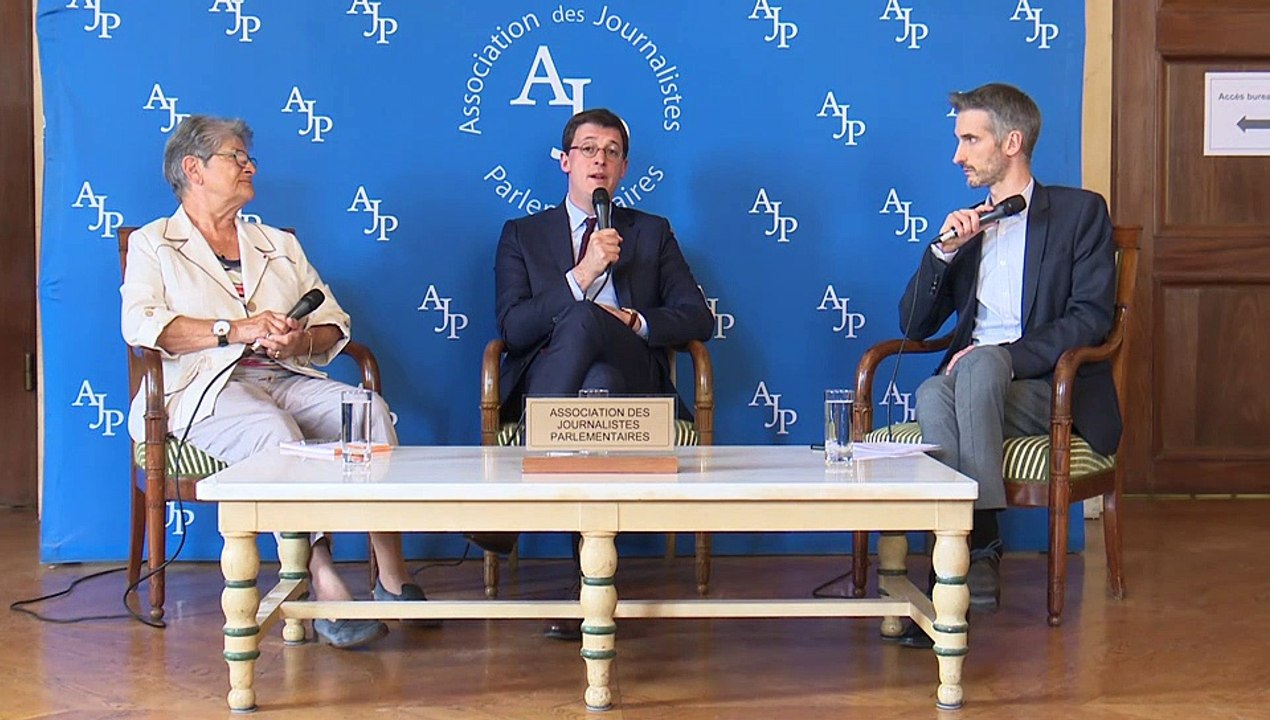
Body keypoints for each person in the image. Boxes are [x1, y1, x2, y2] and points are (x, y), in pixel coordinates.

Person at [120, 115, 433, 649]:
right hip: (205, 390)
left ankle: (390, 575)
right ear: (193, 168)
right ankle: (325, 583)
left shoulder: (275, 242)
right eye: (236, 157)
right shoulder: (154, 244)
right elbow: (145, 327)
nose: (250, 166)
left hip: (284, 373)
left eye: (248, 157)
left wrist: (299, 343)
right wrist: (234, 330)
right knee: (274, 431)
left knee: (368, 410)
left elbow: (335, 322)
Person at [895, 84, 1120, 646]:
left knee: (972, 370)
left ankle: (970, 546)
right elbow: (914, 325)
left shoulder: (1080, 212)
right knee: (930, 393)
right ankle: (972, 559)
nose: (958, 154)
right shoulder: (970, 224)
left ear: (1011, 142)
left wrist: (1004, 355)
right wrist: (942, 252)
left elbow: (1091, 318)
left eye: (970, 139)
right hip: (977, 389)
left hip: (1048, 386)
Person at [481, 107, 713, 640]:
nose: (599, 160)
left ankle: (507, 514)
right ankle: (591, 583)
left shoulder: (651, 233)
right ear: (565, 161)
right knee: (594, 382)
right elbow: (515, 329)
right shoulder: (522, 234)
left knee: (597, 336)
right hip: (559, 377)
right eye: (588, 149)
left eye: (612, 152)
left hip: (637, 372)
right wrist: (583, 273)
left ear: (624, 168)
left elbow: (699, 317)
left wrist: (632, 318)